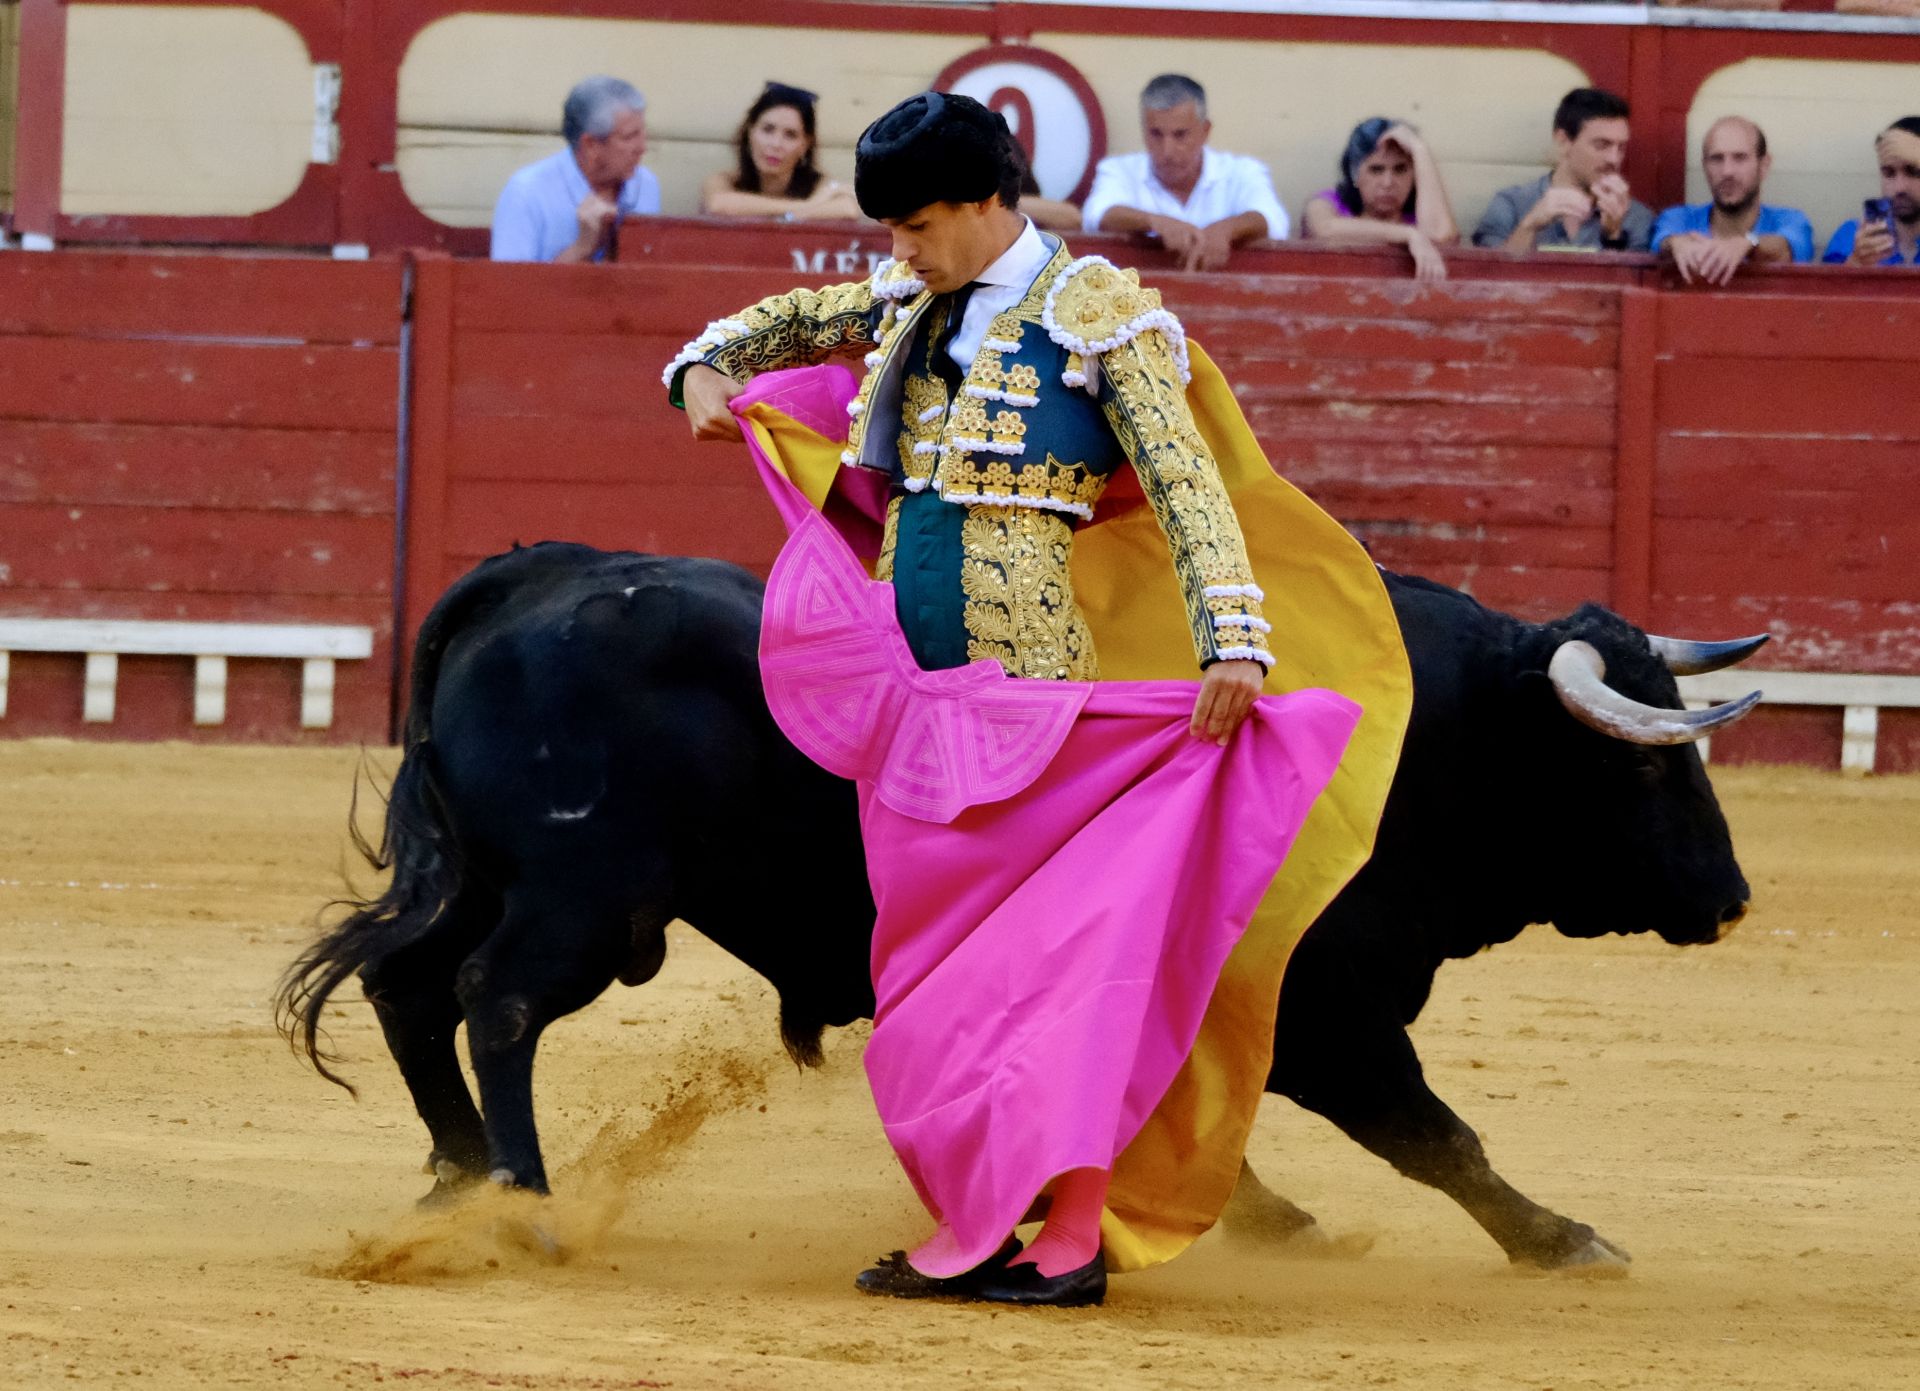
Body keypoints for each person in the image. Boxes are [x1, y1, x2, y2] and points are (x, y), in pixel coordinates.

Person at [664, 92, 1397, 1308]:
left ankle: (1070, 1238)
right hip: (907, 704)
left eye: (918, 223)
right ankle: (992, 1215)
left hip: (1036, 702)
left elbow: (1189, 487)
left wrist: (1232, 637)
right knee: (926, 986)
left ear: (989, 203)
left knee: (1056, 980)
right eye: (891, 227)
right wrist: (700, 369)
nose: (898, 247)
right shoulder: (906, 302)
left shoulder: (1100, 317)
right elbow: (775, 324)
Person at [1081, 74, 1289, 270]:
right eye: (1156, 134)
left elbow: (1273, 220)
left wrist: (1227, 230)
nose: (1167, 150)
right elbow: (1096, 215)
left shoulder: (1242, 171)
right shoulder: (1118, 170)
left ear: (1205, 131)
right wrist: (1156, 222)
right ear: (1144, 130)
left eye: (1180, 135)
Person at [490, 77, 659, 263]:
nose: (643, 147)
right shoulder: (526, 192)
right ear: (590, 145)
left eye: (643, 132)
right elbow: (507, 287)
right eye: (629, 137)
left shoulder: (646, 185)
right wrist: (582, 247)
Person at [1473, 87, 1653, 254]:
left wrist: (1613, 237)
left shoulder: (1636, 217)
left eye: (1621, 147)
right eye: (1601, 145)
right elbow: (1490, 273)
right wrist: (1529, 226)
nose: (1614, 159)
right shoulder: (1512, 204)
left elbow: (1632, 285)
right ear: (1563, 141)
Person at [1652, 117, 1812, 285]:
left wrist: (1748, 244)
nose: (1727, 171)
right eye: (1716, 158)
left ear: (1764, 166)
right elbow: (1662, 242)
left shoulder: (1791, 220)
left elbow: (1785, 248)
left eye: (1740, 158)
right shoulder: (1679, 218)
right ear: (1705, 167)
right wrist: (1676, 244)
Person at [1301, 117, 1459, 282]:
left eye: (1400, 170)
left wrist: (1419, 149)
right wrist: (1408, 234)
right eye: (1376, 170)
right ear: (1354, 173)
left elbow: (1440, 236)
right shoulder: (1329, 202)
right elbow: (1324, 230)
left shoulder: (1420, 217)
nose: (1388, 183)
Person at [699, 81, 863, 222]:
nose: (776, 144)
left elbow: (848, 209)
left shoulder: (820, 185)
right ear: (749, 132)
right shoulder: (725, 180)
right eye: (768, 130)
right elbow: (719, 205)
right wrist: (810, 206)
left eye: (790, 135)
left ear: (805, 144)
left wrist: (789, 215)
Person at [1822, 117, 1920, 267]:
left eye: (1913, 172)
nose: (1899, 187)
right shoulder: (1851, 236)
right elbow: (1825, 290)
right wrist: (1855, 263)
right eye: (1888, 173)